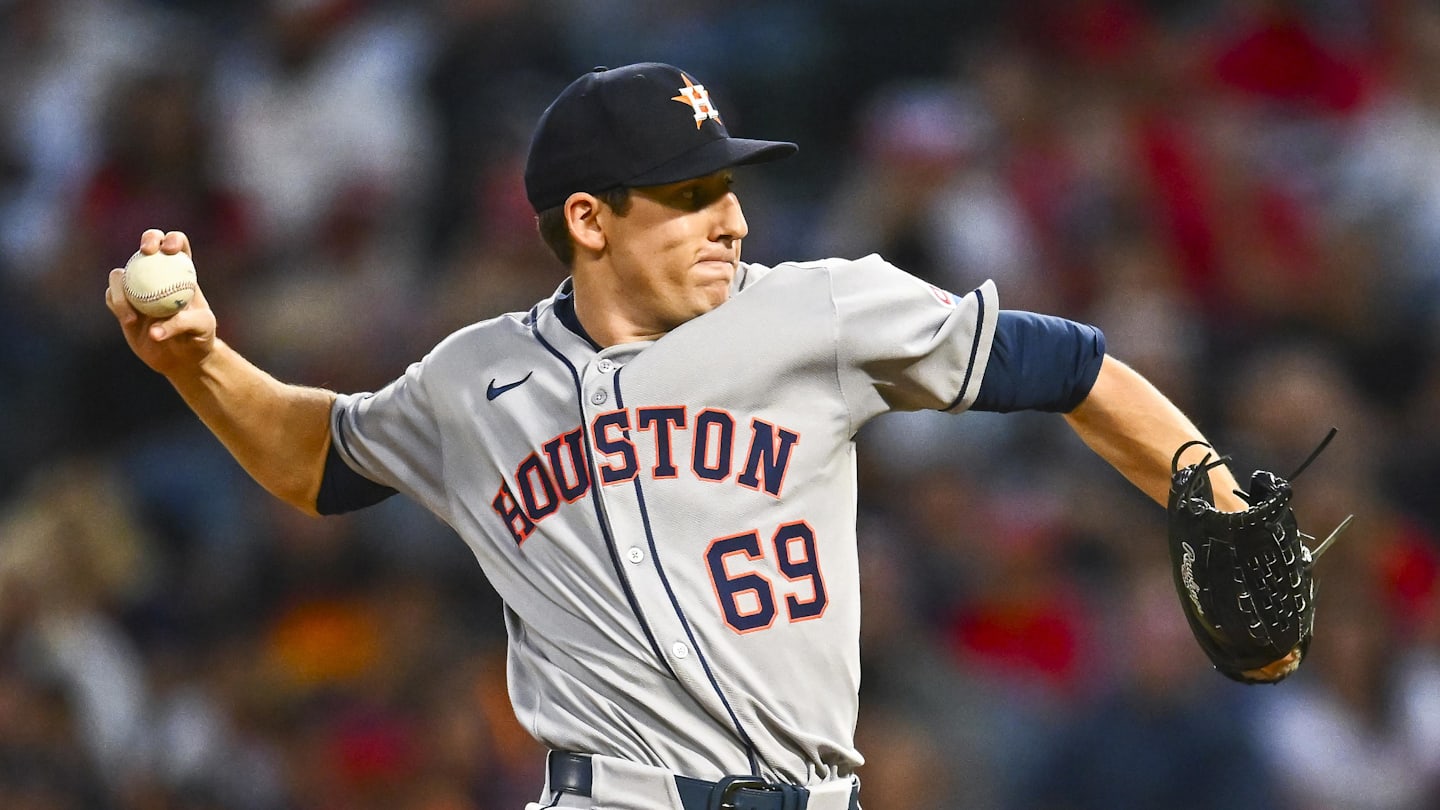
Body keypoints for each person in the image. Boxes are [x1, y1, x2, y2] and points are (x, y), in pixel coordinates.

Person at [107, 62, 1297, 810]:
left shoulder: (817, 311)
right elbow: (316, 457)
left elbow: (1075, 367)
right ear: (588, 220)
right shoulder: (473, 381)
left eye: (726, 184)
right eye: (686, 196)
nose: (728, 215)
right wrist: (200, 361)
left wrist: (1213, 486)